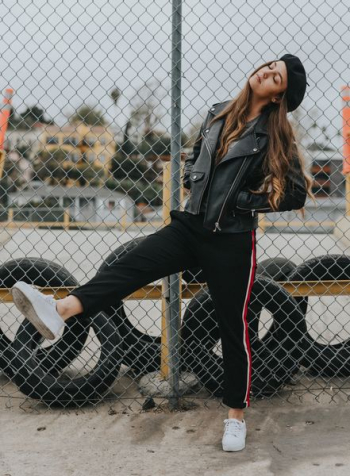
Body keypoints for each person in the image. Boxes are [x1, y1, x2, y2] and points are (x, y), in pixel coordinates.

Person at [11, 53, 313, 452]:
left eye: (276, 76)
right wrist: (192, 179)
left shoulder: (274, 134)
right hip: (189, 226)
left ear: (279, 96)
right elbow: (195, 161)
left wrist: (240, 202)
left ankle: (236, 416)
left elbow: (294, 193)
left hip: (231, 240)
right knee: (129, 266)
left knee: (232, 327)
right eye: (268, 66)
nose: (266, 72)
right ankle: (60, 310)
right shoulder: (218, 113)